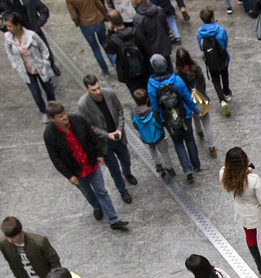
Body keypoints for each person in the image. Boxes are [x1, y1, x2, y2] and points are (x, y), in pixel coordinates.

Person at [42, 102, 128, 229]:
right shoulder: (49, 135)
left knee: (101, 191)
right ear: (52, 119)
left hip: (91, 164)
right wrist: (68, 175)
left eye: (64, 113)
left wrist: (99, 155)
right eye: (60, 116)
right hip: (76, 171)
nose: (65, 117)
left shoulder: (78, 121)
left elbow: (91, 137)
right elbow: (56, 158)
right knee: (87, 192)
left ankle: (113, 220)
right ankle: (97, 207)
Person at [76, 74, 135, 204]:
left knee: (126, 159)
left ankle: (127, 173)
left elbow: (120, 111)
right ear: (87, 89)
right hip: (104, 143)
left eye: (98, 88)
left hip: (118, 137)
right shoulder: (83, 105)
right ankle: (122, 191)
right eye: (94, 90)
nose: (98, 92)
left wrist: (119, 129)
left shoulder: (110, 94)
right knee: (114, 170)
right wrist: (106, 135)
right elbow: (89, 127)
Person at [221, 146, 261, 273]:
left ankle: (259, 263)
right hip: (258, 209)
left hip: (243, 211)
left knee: (250, 236)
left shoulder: (224, 173)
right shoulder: (253, 179)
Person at [0, 0, 58, 77]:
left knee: (43, 49)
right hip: (17, 32)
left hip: (32, 30)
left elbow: (43, 10)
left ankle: (51, 66)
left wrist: (38, 24)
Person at [146, 53, 199, 180]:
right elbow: (186, 96)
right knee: (190, 139)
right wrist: (195, 109)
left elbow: (154, 107)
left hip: (169, 120)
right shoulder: (176, 80)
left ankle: (187, 170)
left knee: (178, 143)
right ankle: (196, 164)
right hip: (184, 115)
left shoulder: (151, 85)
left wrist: (160, 121)